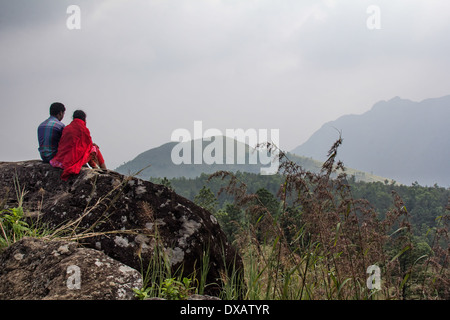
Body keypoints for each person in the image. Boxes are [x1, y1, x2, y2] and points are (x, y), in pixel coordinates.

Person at [50, 110, 107, 180]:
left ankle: (95, 168)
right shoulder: (83, 129)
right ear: (84, 119)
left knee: (88, 149)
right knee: (94, 149)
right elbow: (87, 145)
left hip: (62, 158)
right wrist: (92, 145)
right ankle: (104, 170)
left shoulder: (66, 128)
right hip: (73, 158)